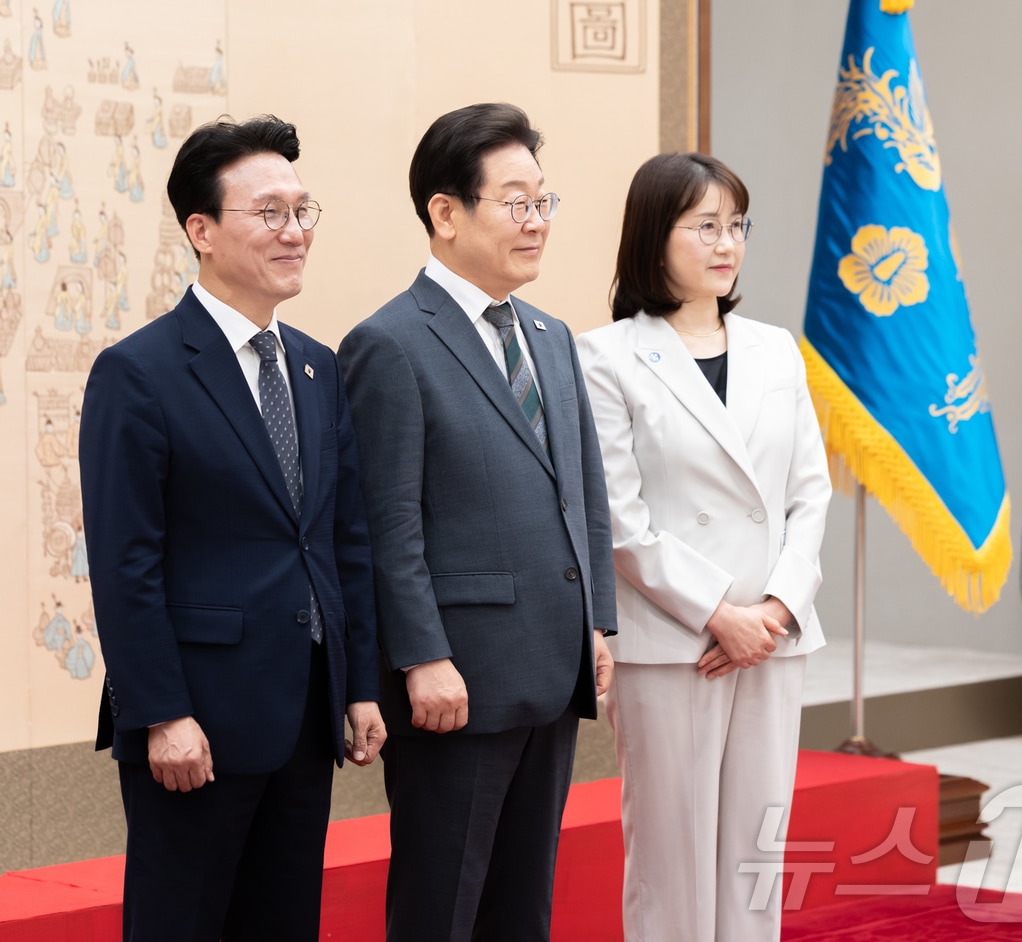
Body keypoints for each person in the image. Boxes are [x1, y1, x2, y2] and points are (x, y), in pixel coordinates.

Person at [79, 114, 384, 942]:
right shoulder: (137, 373)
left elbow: (341, 538)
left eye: (302, 210)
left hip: (303, 712)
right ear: (201, 231)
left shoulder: (317, 366)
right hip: (198, 724)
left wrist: (357, 684)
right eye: (270, 214)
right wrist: (161, 714)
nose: (295, 233)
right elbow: (124, 563)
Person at [336, 102, 616, 942]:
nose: (536, 223)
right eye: (515, 202)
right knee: (442, 904)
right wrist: (422, 656)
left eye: (544, 202)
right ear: (446, 212)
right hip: (456, 682)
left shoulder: (552, 335)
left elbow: (586, 496)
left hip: (553, 666)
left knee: (523, 906)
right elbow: (387, 522)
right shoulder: (389, 343)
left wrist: (596, 621)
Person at [574, 153, 832, 942]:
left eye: (736, 226)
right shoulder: (605, 354)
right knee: (671, 857)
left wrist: (774, 612)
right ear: (656, 240)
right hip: (673, 642)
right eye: (705, 227)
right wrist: (721, 613)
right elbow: (621, 517)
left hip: (770, 642)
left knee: (758, 851)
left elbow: (809, 494)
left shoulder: (775, 348)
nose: (727, 244)